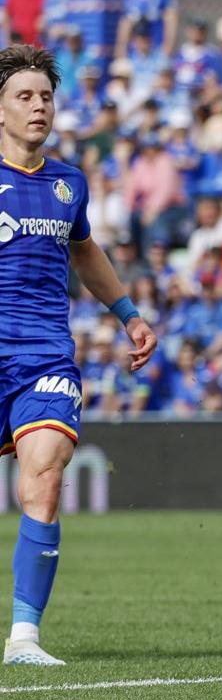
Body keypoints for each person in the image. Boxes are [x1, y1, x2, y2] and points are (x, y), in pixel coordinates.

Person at [0, 45, 158, 666]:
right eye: (24, 96)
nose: (39, 107)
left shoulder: (69, 184)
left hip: (43, 356)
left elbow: (86, 253)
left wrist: (130, 315)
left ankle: (23, 638)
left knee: (43, 472)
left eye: (45, 96)